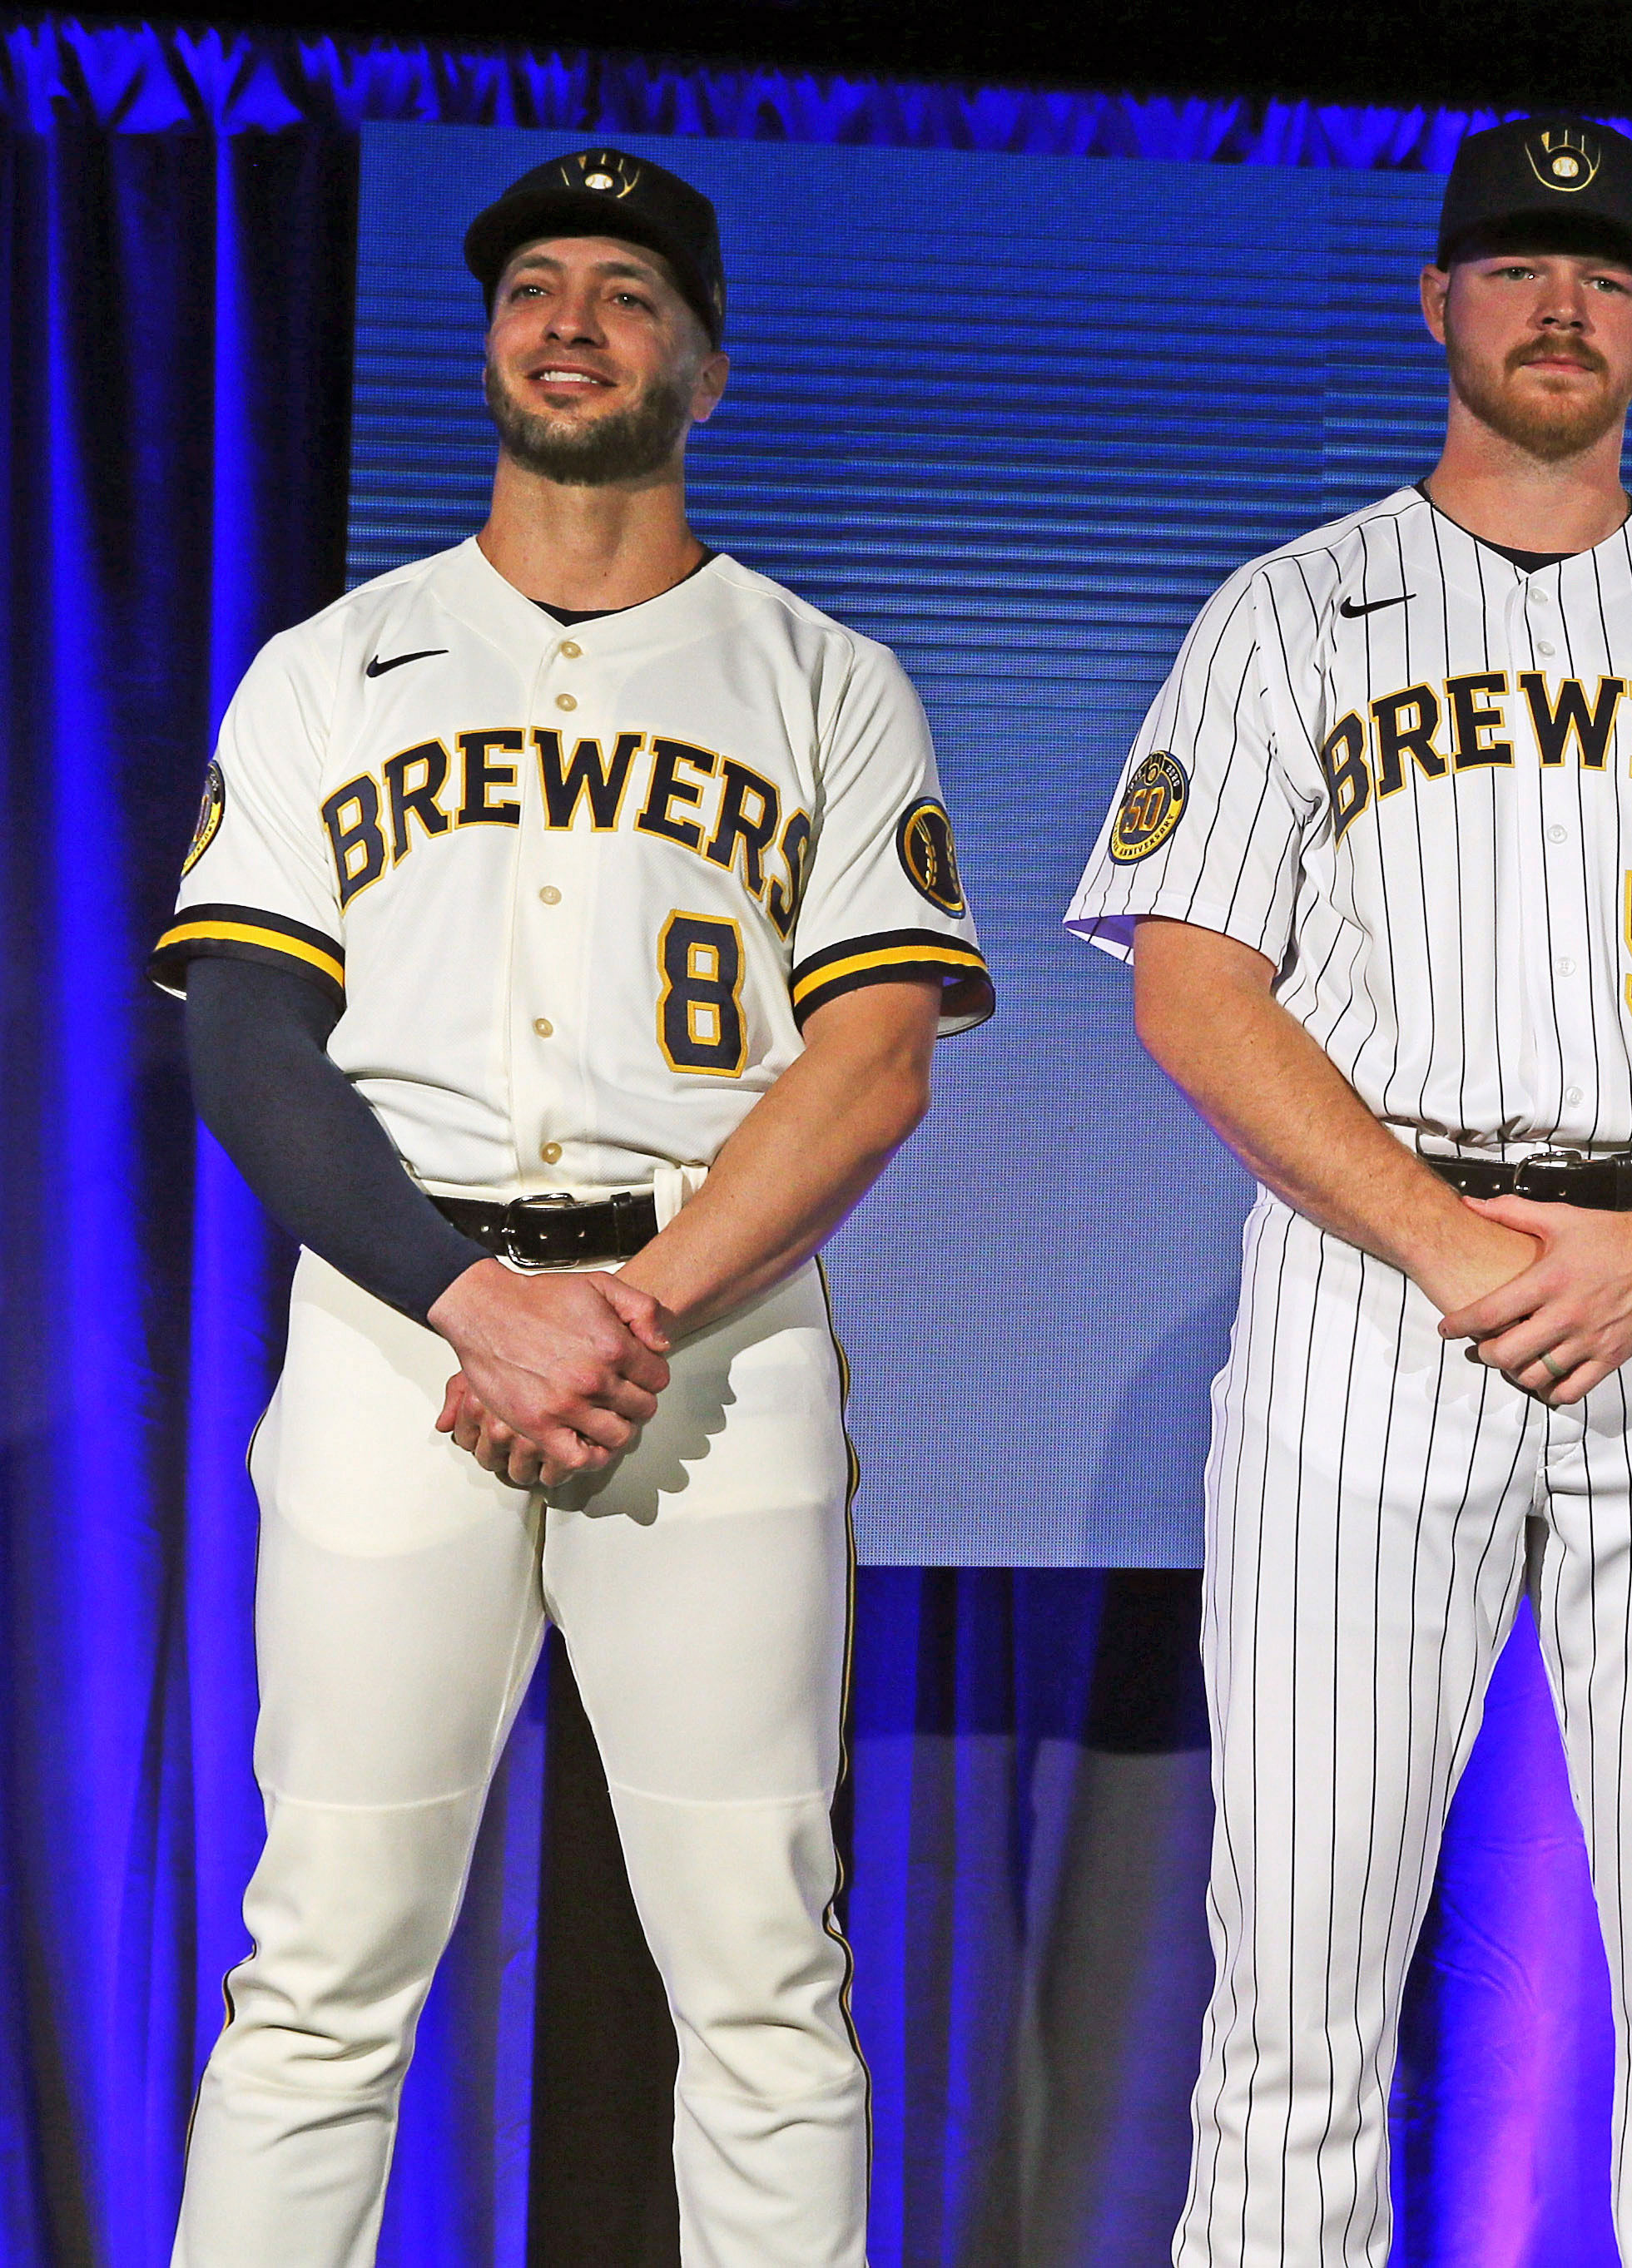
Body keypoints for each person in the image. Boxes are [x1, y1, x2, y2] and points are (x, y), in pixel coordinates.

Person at [1064, 113, 1632, 2266]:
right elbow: (1192, 986)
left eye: (1605, 274)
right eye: (1518, 267)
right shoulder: (1288, 616)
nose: (1561, 305)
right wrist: (1452, 1242)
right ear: (1435, 298)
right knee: (1298, 1990)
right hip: (1381, 1301)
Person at [153, 146, 991, 2266]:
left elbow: (873, 1058)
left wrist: (619, 1307)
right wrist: (473, 1299)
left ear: (701, 365)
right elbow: (249, 1044)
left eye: (627, 290)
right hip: (394, 1333)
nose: (573, 320)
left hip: (705, 1343)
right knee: (322, 1960)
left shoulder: (824, 677)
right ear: (494, 339)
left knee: (764, 1978)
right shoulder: (334, 667)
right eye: (537, 283)